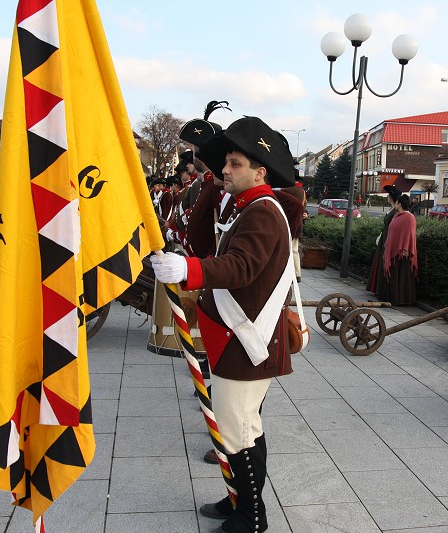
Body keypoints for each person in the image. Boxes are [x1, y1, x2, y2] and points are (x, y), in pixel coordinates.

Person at [151, 116, 295, 533]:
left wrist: (188, 269)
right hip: (238, 339)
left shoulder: (262, 212)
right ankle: (244, 503)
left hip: (247, 341)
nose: (225, 171)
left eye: (234, 164)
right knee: (246, 426)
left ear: (259, 171)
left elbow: (241, 267)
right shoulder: (251, 205)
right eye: (226, 163)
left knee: (235, 430)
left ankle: (251, 517)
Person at [380, 193, 417, 305]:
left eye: (396, 202)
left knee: (400, 277)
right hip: (392, 250)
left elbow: (409, 234)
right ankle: (391, 298)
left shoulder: (409, 217)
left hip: (402, 253)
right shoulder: (396, 216)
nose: (395, 204)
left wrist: (405, 248)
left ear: (399, 204)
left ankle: (401, 299)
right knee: (392, 276)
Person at [367, 185, 400, 297]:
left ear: (392, 197)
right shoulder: (391, 209)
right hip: (384, 236)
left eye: (388, 195)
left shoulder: (396, 210)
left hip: (388, 237)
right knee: (380, 260)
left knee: (384, 260)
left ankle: (383, 289)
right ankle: (377, 287)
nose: (387, 196)